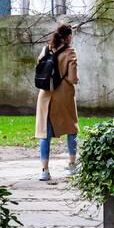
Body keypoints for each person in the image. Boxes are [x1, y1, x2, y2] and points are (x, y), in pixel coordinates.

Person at [35, 23, 79, 183]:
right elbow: (72, 78)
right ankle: (73, 165)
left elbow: (39, 67)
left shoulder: (46, 49)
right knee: (71, 128)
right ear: (68, 37)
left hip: (45, 95)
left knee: (44, 133)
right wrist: (73, 78)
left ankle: (44, 170)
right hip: (64, 96)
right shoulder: (70, 52)